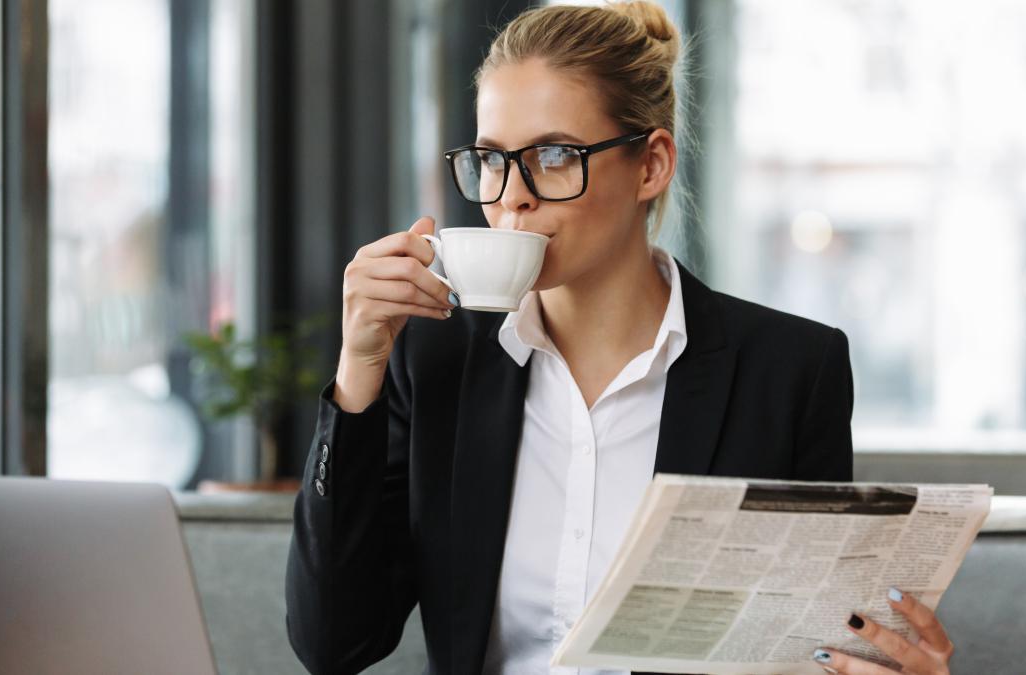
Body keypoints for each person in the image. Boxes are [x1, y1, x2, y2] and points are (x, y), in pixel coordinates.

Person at [286, 2, 956, 674]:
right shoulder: (435, 358)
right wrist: (358, 371)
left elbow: (806, 644)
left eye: (553, 155)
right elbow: (334, 642)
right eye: (491, 159)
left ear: (651, 165)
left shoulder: (788, 373)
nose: (511, 196)